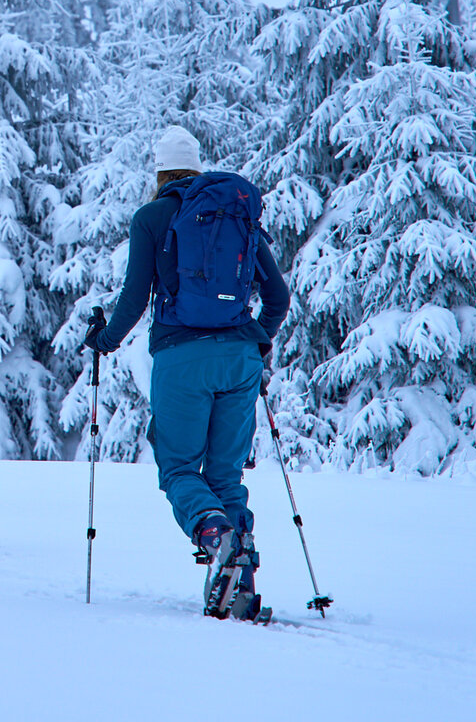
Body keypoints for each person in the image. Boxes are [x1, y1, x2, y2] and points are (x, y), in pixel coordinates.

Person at [82, 126, 290, 603]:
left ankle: (217, 539)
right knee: (226, 476)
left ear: (159, 172)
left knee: (178, 469)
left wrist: (105, 340)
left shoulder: (152, 217)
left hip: (182, 357)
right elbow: (277, 295)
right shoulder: (235, 213)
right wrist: (259, 341)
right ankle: (242, 579)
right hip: (240, 358)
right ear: (196, 168)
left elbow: (135, 297)